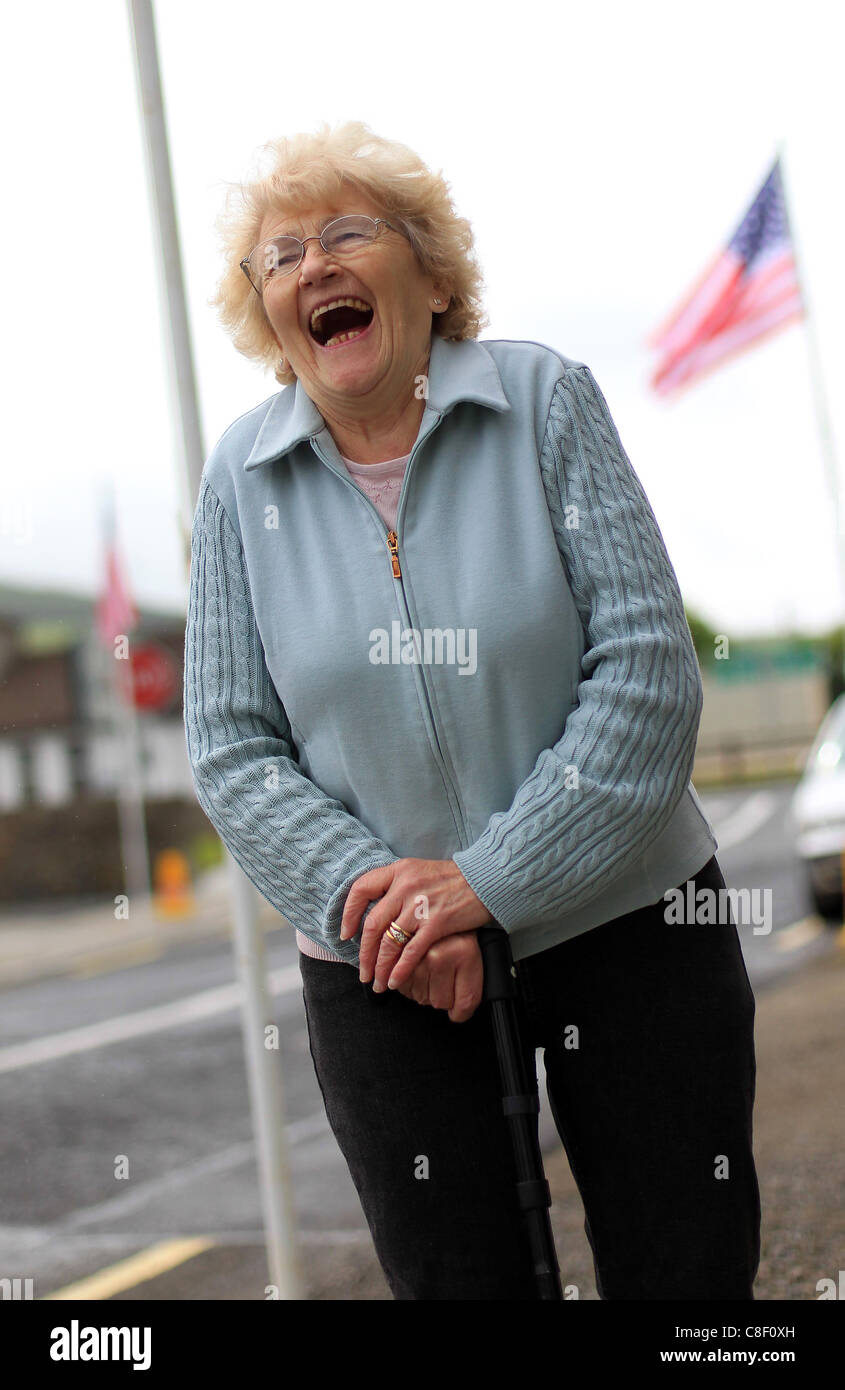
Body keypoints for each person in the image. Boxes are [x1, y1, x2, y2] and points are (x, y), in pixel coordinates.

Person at [183, 120, 761, 1300]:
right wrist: (389, 913)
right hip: (386, 968)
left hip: (629, 922)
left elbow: (647, 670)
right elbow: (231, 746)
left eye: (348, 233)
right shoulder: (239, 482)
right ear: (265, 310)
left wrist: (487, 882)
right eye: (282, 255)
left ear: (433, 274)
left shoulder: (544, 399)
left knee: (685, 1277)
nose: (314, 268)